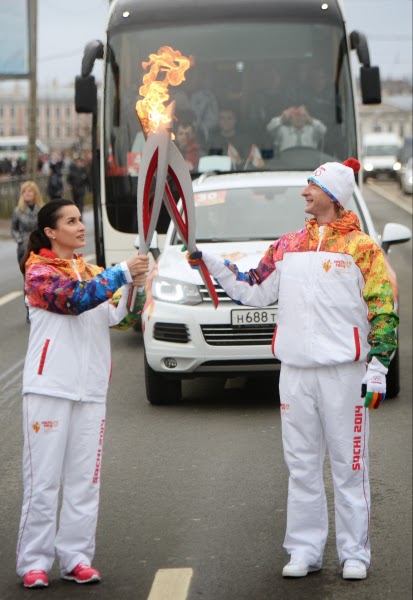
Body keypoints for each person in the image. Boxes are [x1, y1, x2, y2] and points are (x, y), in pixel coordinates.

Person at [187, 159, 398, 581]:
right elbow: (252, 288)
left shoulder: (362, 249)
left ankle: (355, 553)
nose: (304, 193)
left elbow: (384, 310)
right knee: (301, 465)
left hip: (344, 372)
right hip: (296, 372)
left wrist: (378, 366)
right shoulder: (288, 245)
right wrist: (210, 260)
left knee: (350, 465)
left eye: (312, 186)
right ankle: (304, 549)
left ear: (333, 196)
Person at [16, 199, 149, 589]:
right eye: (71, 221)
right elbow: (75, 300)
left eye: (80, 219)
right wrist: (123, 271)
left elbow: (120, 319)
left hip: (90, 390)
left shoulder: (91, 272)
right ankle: (34, 561)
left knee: (84, 481)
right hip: (48, 388)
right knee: (43, 481)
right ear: (51, 232)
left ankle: (76, 557)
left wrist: (134, 290)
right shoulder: (38, 272)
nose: (80, 226)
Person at [11, 181, 45, 265]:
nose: (27, 193)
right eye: (24, 191)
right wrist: (20, 240)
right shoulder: (18, 210)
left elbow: (47, 226)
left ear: (35, 193)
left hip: (40, 247)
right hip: (24, 248)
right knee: (28, 275)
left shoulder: (42, 209)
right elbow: (13, 229)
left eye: (29, 191)